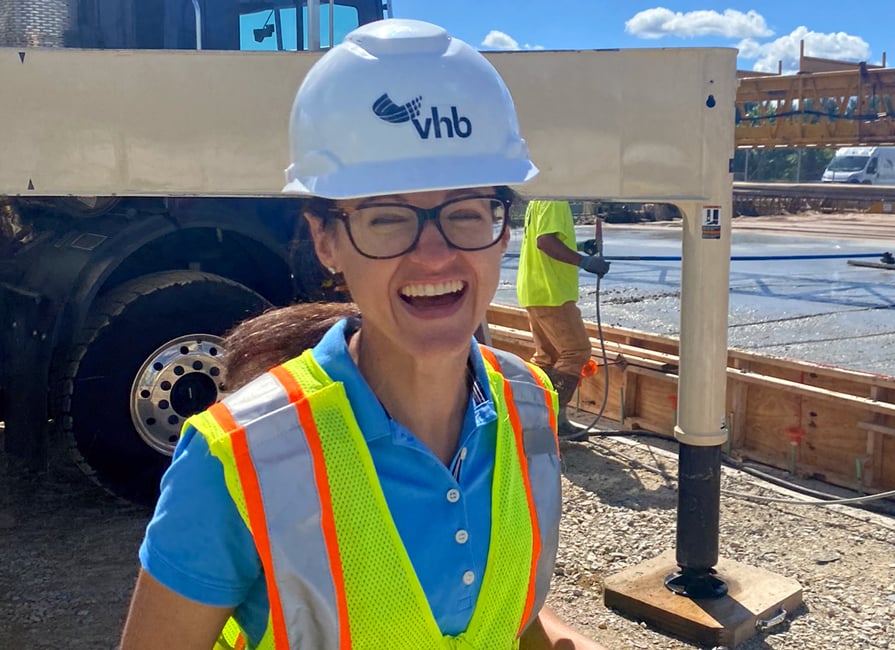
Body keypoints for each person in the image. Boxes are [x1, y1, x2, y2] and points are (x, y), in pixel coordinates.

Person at [119, 19, 606, 650]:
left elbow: (508, 620)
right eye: (386, 219)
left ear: (502, 228)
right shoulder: (237, 459)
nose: (435, 256)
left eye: (464, 212)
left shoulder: (530, 405)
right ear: (326, 240)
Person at [515, 200, 609, 441]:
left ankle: (532, 416)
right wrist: (583, 261)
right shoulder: (554, 199)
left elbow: (547, 239)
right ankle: (554, 420)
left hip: (534, 289)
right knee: (576, 351)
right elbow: (545, 242)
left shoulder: (539, 198)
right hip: (551, 291)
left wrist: (578, 247)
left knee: (548, 357)